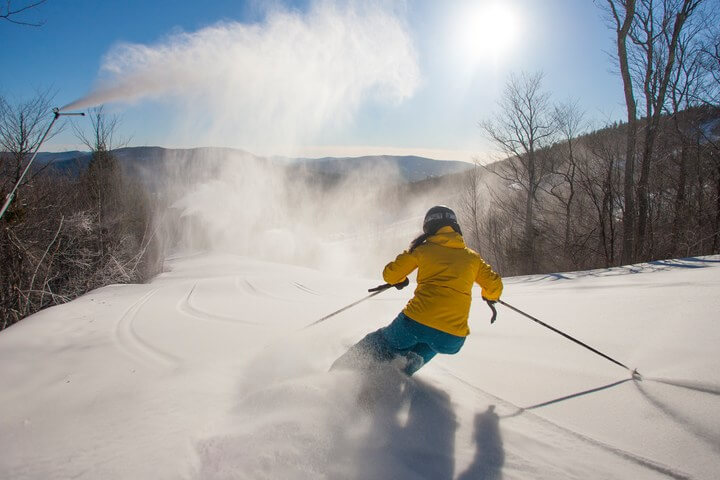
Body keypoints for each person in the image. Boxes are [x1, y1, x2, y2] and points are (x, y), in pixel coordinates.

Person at [331, 205, 503, 376]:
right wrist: (489, 296)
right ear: (455, 227)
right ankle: (397, 377)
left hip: (415, 323)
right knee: (427, 345)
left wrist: (400, 280)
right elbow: (494, 286)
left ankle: (339, 372)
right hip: (452, 338)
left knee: (383, 342)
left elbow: (390, 274)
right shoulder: (472, 258)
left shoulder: (423, 250)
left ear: (428, 227)